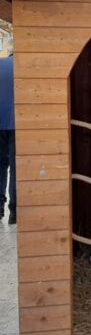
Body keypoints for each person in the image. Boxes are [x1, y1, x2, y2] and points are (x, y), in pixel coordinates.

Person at [0, 54, 16, 225]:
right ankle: (14, 211)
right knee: (16, 168)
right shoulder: (22, 66)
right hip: (16, 123)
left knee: (1, 166)